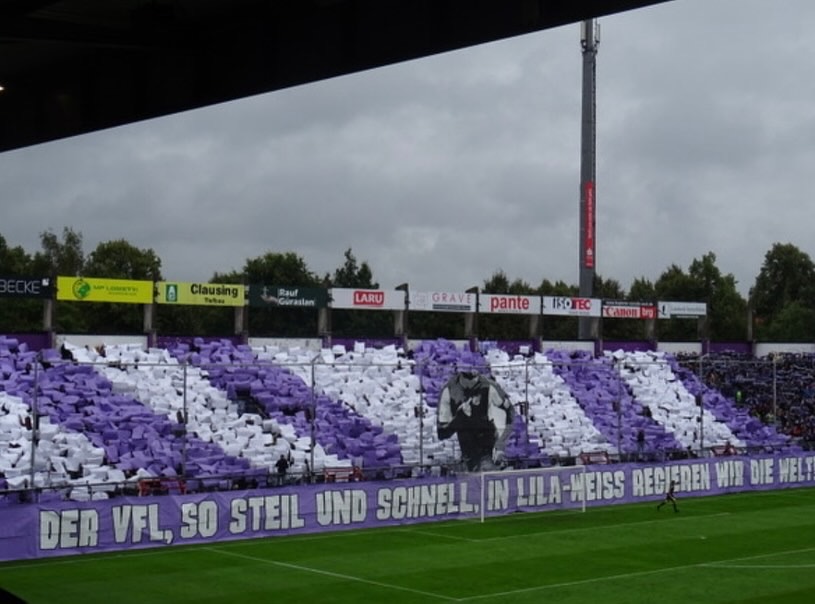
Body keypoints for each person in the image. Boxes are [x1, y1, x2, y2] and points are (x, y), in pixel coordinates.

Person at [436, 371, 514, 472]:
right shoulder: (448, 390)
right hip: (466, 448)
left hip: (487, 444)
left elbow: (510, 412)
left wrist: (501, 442)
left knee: (485, 471)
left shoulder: (489, 386)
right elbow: (442, 433)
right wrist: (459, 418)